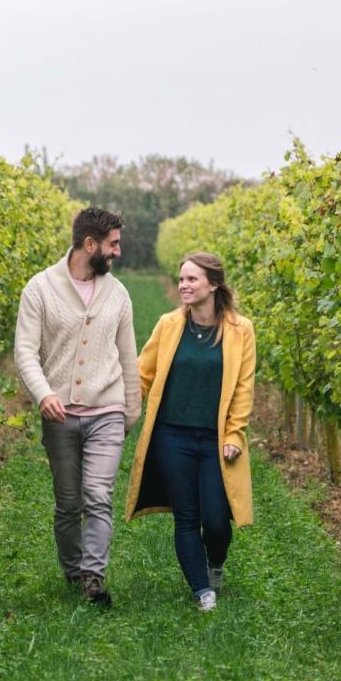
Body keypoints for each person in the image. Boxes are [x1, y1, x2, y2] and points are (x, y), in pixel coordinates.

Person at [14, 207, 141, 607]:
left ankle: (93, 578)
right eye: (113, 244)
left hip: (107, 410)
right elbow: (25, 352)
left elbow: (128, 357)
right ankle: (72, 570)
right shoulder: (40, 289)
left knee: (98, 495)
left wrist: (129, 411)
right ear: (90, 245)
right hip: (60, 414)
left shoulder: (117, 294)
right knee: (68, 504)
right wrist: (44, 394)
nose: (118, 252)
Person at [125, 252, 256, 611]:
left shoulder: (240, 330)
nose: (183, 285)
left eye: (192, 280)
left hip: (214, 440)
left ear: (213, 284)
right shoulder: (169, 325)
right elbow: (142, 374)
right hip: (171, 436)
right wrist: (120, 412)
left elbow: (243, 388)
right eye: (181, 279)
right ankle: (202, 591)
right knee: (186, 517)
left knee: (216, 520)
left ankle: (215, 562)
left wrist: (233, 435)